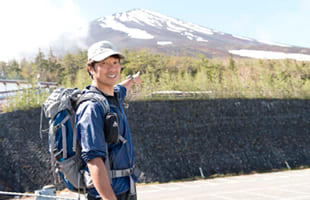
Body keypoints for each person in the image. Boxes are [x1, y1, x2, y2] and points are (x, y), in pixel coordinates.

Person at [76, 40, 142, 200]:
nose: (112, 68)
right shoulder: (91, 107)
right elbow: (93, 161)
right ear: (91, 68)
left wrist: (133, 79)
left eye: (115, 62)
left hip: (126, 190)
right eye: (104, 63)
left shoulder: (115, 95)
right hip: (107, 195)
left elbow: (122, 87)